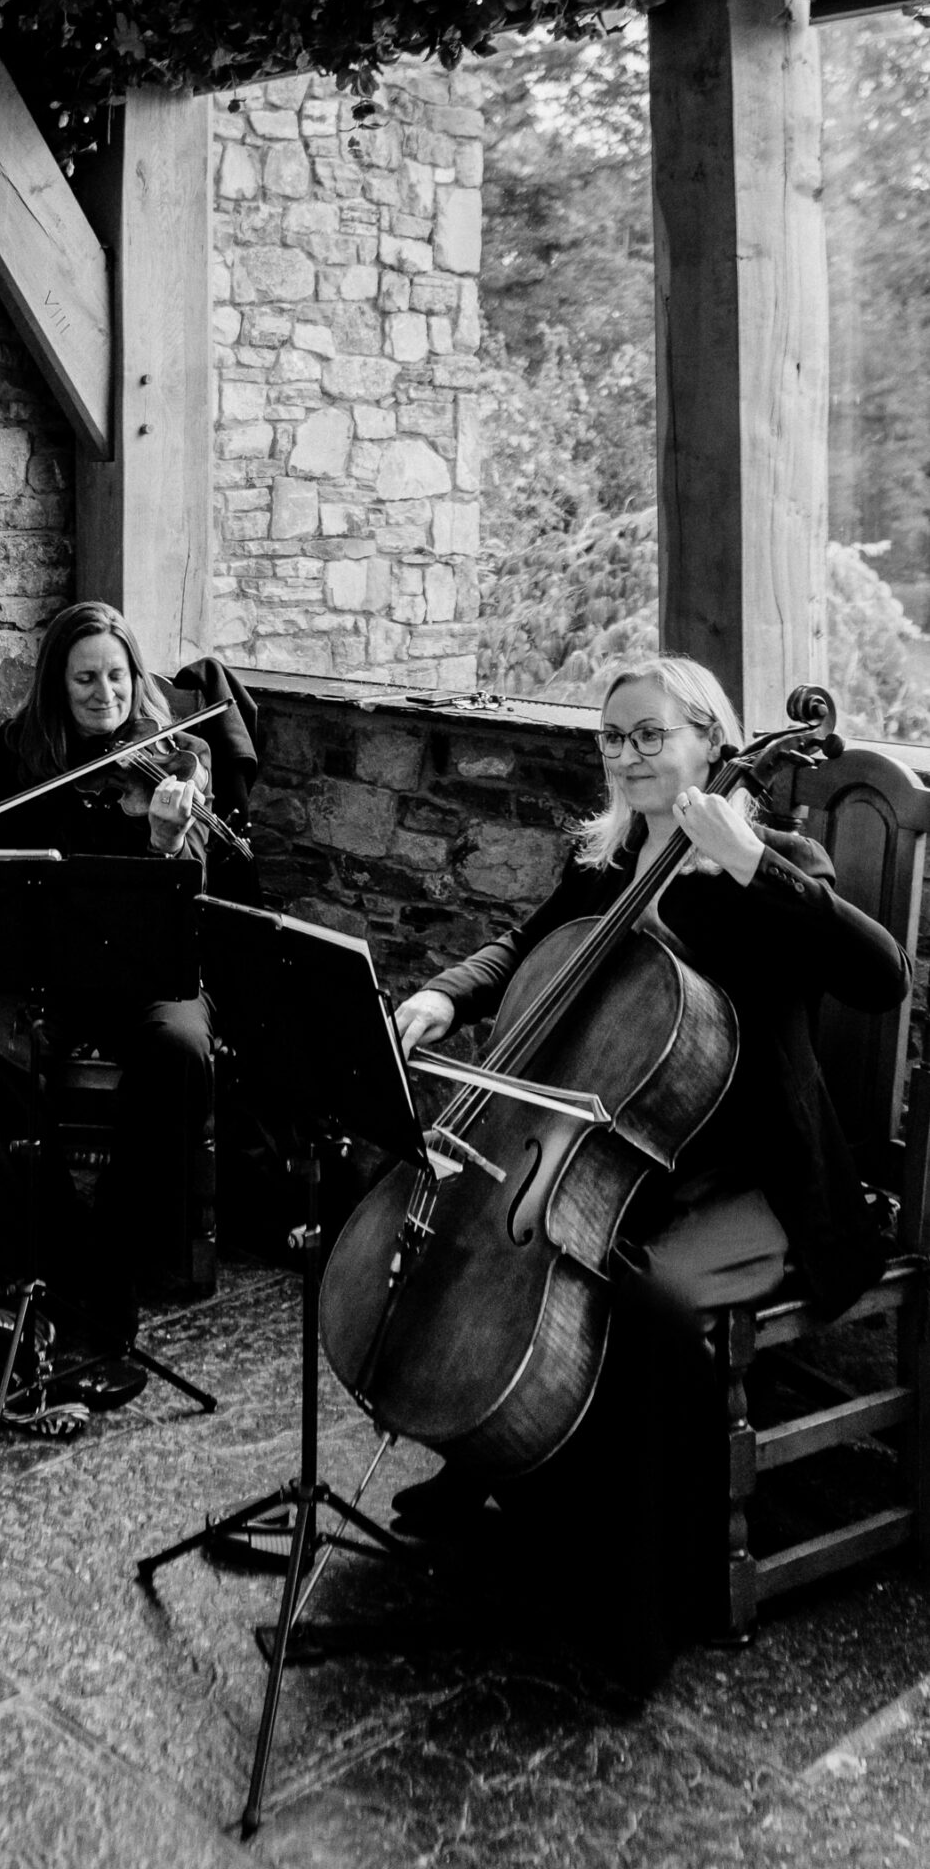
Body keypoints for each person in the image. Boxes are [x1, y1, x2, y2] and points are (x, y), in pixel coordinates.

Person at [386, 653, 909, 1680]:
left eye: (650, 734)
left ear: (709, 742)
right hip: (630, 1158)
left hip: (756, 1179)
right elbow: (522, 949)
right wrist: (449, 993)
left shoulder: (776, 854)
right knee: (510, 1235)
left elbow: (880, 973)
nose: (626, 755)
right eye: (612, 736)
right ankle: (507, 1470)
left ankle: (646, 1607)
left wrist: (753, 861)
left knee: (637, 1302)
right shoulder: (601, 860)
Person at [0, 600, 235, 1365]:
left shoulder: (173, 761)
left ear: (132, 676)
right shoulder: (24, 751)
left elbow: (194, 899)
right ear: (57, 683)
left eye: (116, 676)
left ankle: (112, 1244)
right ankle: (39, 1248)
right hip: (37, 968)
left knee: (179, 1048)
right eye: (85, 679)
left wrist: (168, 842)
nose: (103, 694)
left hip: (141, 972)